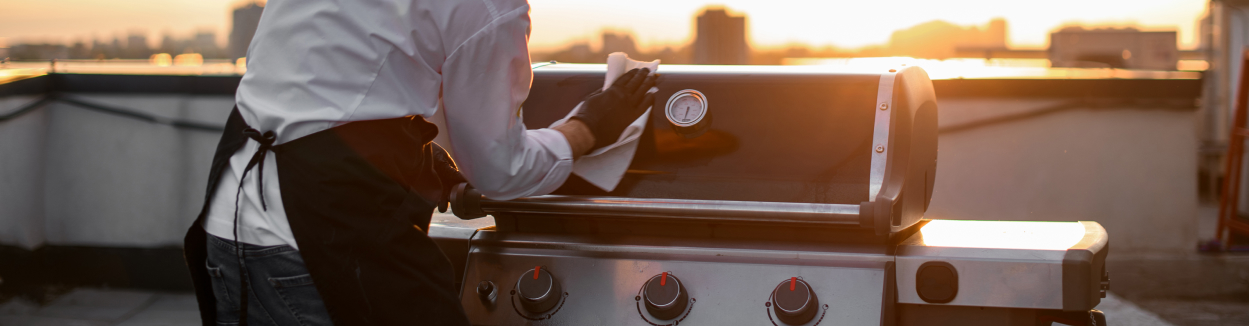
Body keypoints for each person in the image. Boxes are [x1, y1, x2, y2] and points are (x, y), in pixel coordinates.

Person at [181, 0, 658, 325]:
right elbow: (501, 170)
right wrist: (590, 126)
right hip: (314, 233)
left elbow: (339, 92)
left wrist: (427, 165)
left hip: (230, 215)